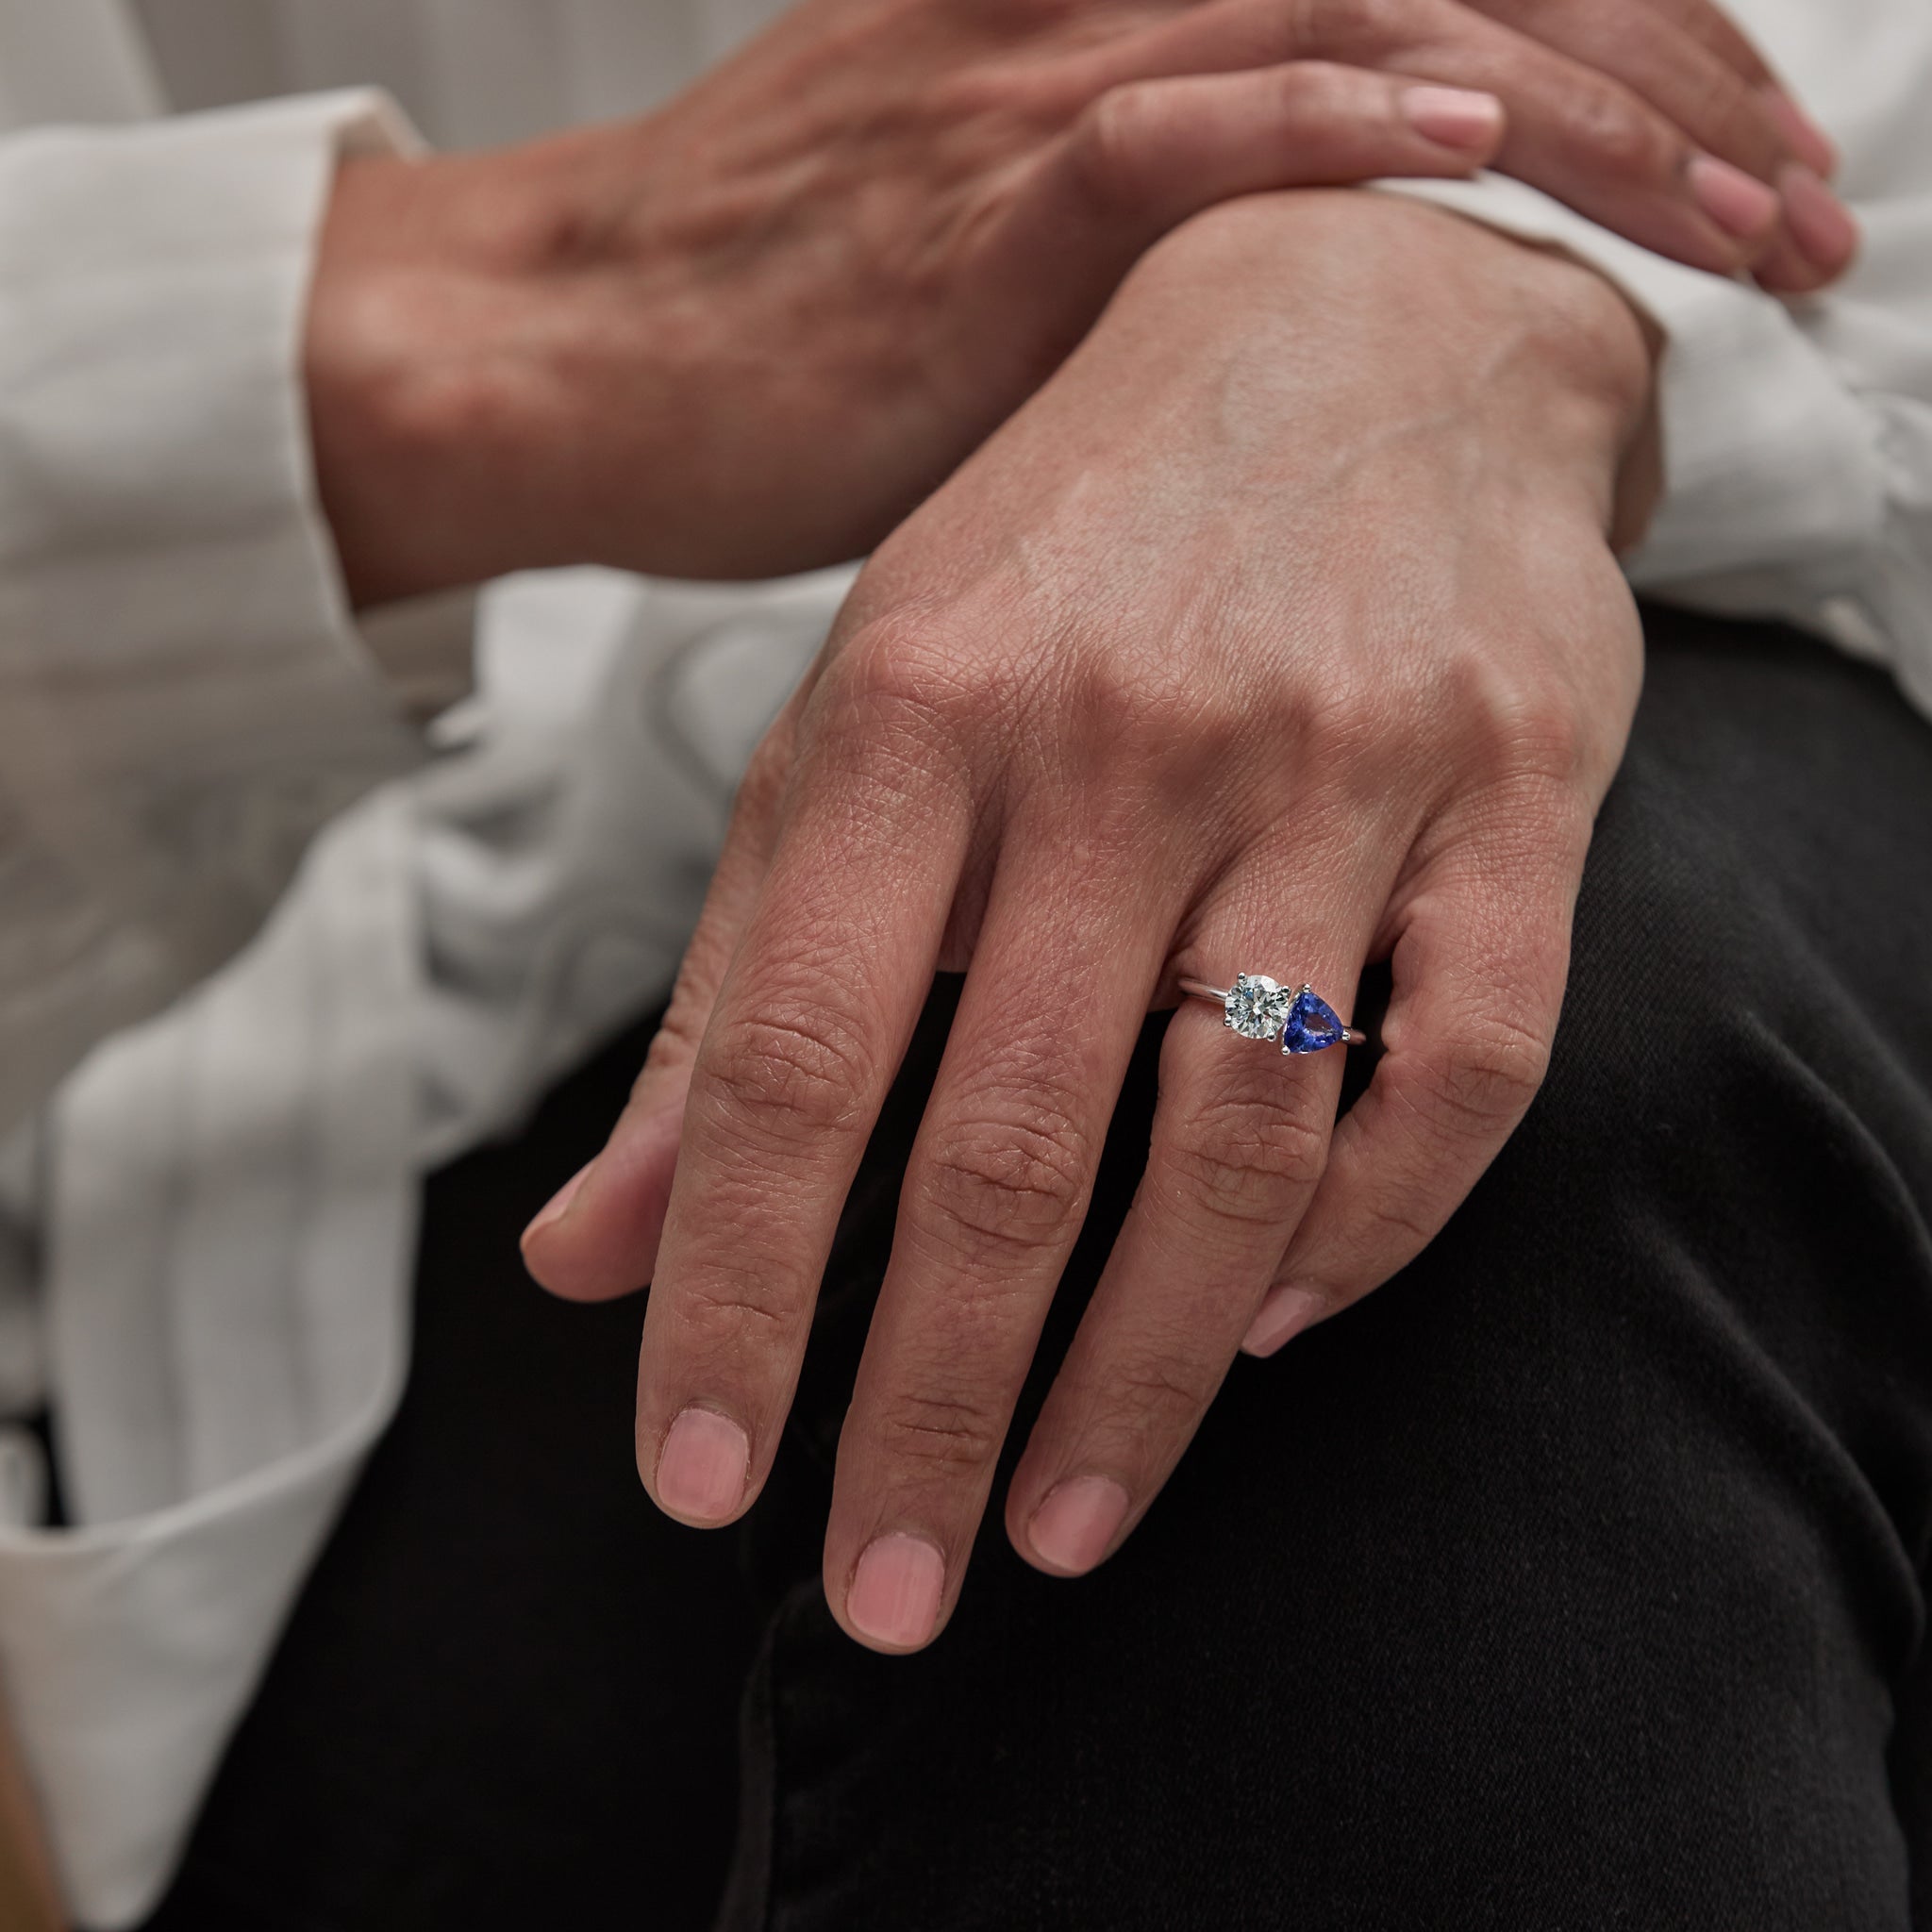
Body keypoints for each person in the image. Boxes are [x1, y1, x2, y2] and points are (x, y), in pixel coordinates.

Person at [0, 0, 1924, 1927]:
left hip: (1736, 640)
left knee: (1417, 1038)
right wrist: (478, 320)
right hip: (293, 1131)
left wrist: (1452, 275)